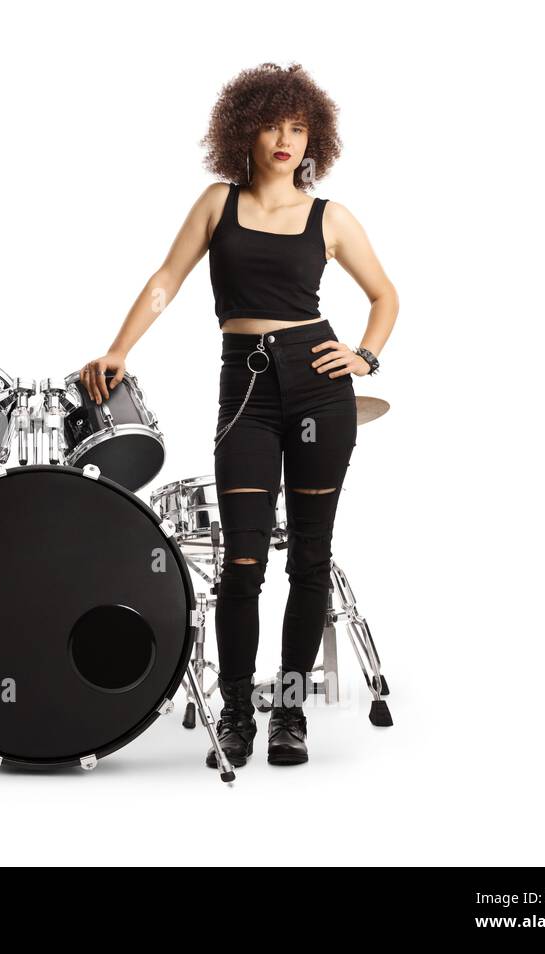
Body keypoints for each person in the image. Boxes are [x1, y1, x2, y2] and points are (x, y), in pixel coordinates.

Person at [78, 62, 398, 768]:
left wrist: (365, 357)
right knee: (243, 563)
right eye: (271, 125)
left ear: (313, 136)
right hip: (246, 390)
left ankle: (288, 713)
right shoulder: (217, 204)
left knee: (311, 560)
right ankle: (235, 712)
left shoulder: (330, 217)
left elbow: (385, 296)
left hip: (318, 388)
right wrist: (120, 347)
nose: (285, 140)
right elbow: (167, 278)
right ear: (241, 130)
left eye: (298, 127)